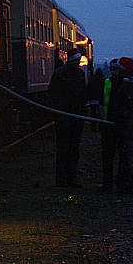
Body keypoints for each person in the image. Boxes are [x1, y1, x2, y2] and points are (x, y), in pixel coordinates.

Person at [48, 49, 88, 188]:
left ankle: (71, 178)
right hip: (65, 118)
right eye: (76, 61)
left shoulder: (79, 75)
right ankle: (62, 179)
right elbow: (53, 95)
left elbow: (83, 95)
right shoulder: (60, 74)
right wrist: (59, 114)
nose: (77, 63)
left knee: (73, 149)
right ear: (70, 60)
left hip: (75, 117)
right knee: (64, 149)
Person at [112, 56, 133, 193]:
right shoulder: (130, 83)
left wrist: (126, 128)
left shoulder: (130, 85)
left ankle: (130, 185)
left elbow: (132, 109)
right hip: (128, 127)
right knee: (128, 156)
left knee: (129, 156)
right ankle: (128, 184)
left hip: (129, 128)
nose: (115, 72)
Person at [100, 60, 123, 191]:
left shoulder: (125, 84)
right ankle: (107, 183)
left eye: (115, 69)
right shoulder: (107, 83)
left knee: (121, 155)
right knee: (107, 156)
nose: (113, 72)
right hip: (107, 125)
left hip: (120, 125)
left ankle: (120, 183)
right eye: (111, 69)